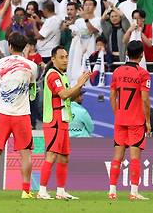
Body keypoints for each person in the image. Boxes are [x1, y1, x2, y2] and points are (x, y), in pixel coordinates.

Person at [0, 33, 38, 199]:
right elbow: (31, 85)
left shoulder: (0, 63)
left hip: (4, 113)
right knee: (26, 154)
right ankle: (25, 191)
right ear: (25, 46)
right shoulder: (31, 66)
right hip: (21, 114)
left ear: (9, 46)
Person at [37, 46, 91, 200]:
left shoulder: (62, 76)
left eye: (66, 56)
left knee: (64, 157)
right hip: (54, 120)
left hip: (63, 120)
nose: (65, 60)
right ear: (53, 59)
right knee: (52, 155)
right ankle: (42, 191)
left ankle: (60, 191)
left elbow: (69, 97)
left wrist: (80, 85)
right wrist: (79, 83)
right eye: (61, 57)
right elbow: (64, 94)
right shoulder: (53, 75)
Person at [107, 40, 151, 200]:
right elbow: (145, 99)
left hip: (120, 119)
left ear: (126, 53)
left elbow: (112, 95)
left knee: (117, 156)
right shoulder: (143, 74)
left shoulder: (117, 72)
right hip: (136, 121)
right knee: (134, 157)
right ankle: (133, 192)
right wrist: (147, 121)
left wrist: (117, 113)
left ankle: (112, 190)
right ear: (141, 55)